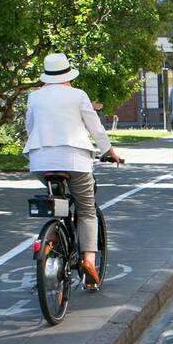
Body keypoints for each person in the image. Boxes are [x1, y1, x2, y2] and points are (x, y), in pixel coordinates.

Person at [24, 53, 123, 288]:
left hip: (41, 162)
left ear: (46, 77)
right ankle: (88, 260)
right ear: (68, 77)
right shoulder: (78, 95)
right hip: (75, 161)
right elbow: (95, 128)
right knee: (87, 209)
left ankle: (55, 236)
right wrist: (108, 151)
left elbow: (30, 128)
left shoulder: (34, 97)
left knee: (55, 202)